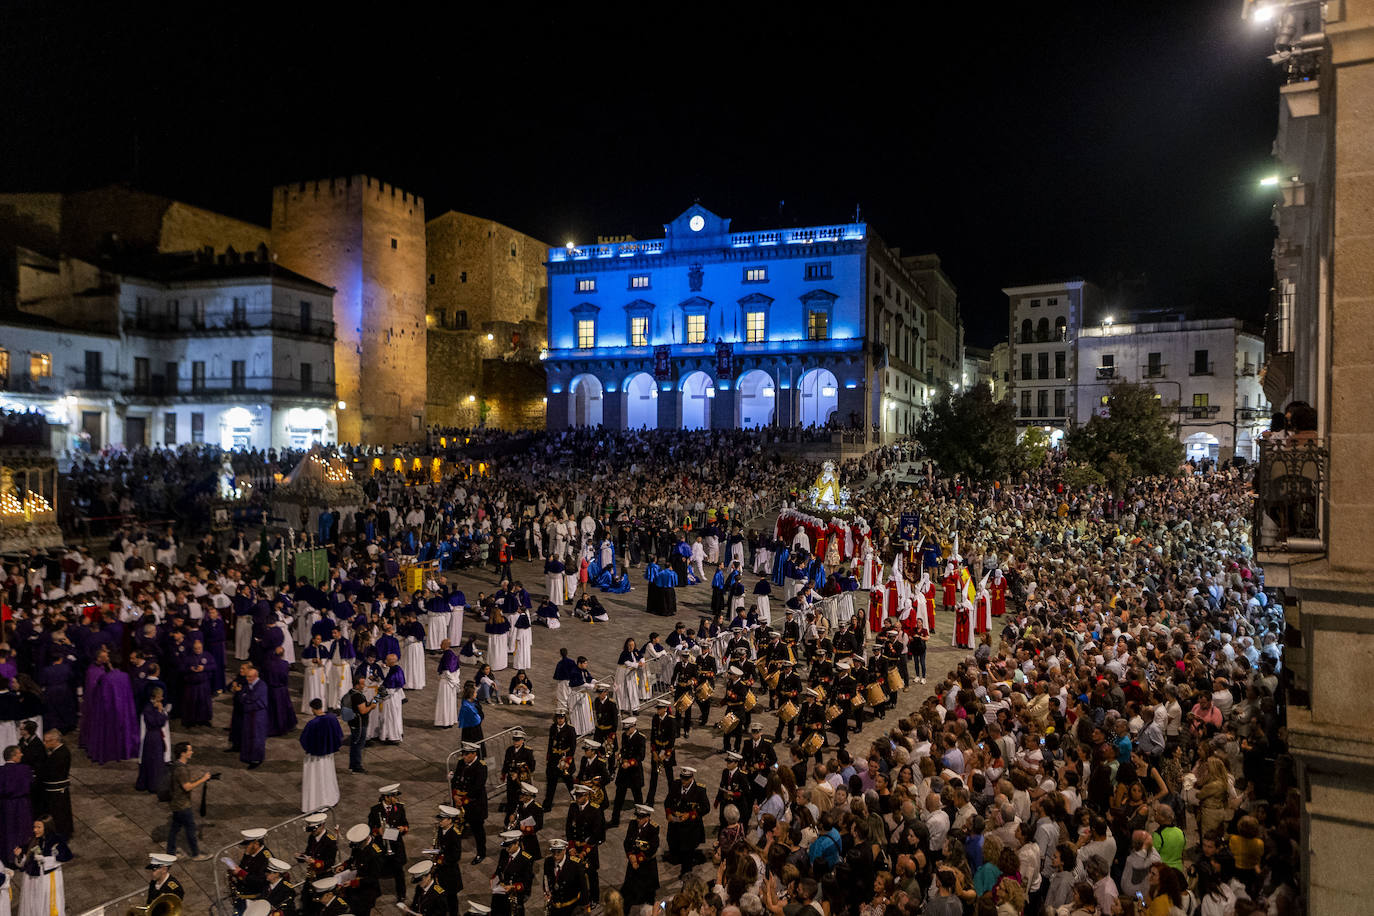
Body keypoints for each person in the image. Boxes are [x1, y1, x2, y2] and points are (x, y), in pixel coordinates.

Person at [13, 815, 71, 916]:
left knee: (47, 905)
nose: (35, 830)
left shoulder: (56, 840)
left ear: (47, 827)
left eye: (38, 827)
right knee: (31, 904)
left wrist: (46, 860)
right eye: (34, 827)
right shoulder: (33, 840)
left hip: (47, 879)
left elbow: (66, 856)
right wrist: (19, 856)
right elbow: (25, 860)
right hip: (30, 880)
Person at [165, 742, 214, 861]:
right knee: (190, 829)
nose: (192, 752)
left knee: (175, 827)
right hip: (183, 805)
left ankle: (170, 851)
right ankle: (196, 854)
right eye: (189, 750)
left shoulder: (176, 765)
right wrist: (203, 779)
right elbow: (187, 787)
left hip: (176, 803)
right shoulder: (181, 769)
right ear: (183, 753)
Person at [299, 698, 343, 813]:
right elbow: (339, 735)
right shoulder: (333, 718)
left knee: (315, 780)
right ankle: (330, 798)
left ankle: (315, 803)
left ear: (313, 708)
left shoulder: (312, 724)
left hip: (315, 758)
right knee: (327, 777)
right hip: (328, 757)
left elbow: (304, 740)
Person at [368, 783, 410, 902]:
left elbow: (406, 824)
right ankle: (375, 891)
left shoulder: (400, 808)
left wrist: (403, 828)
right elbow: (370, 828)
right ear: (386, 797)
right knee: (375, 869)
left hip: (395, 845)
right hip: (381, 845)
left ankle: (401, 894)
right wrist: (377, 830)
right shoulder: (375, 810)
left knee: (399, 871)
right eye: (394, 796)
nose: (396, 799)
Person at [452, 742, 489, 864]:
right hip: (460, 802)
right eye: (464, 754)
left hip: (474, 804)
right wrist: (455, 795)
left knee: (478, 830)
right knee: (457, 827)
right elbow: (456, 780)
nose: (464, 757)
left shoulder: (481, 767)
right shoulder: (461, 763)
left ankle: (481, 853)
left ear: (474, 754)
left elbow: (477, 787)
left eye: (467, 754)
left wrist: (461, 799)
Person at [35, 733, 71, 840]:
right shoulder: (58, 751)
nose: (44, 743)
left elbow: (52, 772)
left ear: (54, 741)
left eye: (46, 741)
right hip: (56, 788)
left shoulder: (60, 754)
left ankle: (61, 834)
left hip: (56, 789)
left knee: (59, 813)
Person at [0, 747, 33, 860]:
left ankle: (8, 856)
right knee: (22, 829)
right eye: (19, 753)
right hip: (22, 804)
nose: (22, 755)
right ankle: (23, 855)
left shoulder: (1, 771)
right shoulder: (25, 769)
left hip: (5, 805)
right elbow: (30, 785)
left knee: (7, 829)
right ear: (13, 756)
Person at [134, 689, 168, 795]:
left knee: (155, 759)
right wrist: (160, 712)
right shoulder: (148, 708)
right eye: (160, 696)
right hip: (153, 736)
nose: (162, 698)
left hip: (155, 736)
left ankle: (152, 783)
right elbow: (157, 722)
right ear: (155, 696)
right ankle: (153, 784)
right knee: (154, 760)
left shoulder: (153, 706)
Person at [237, 665, 268, 769]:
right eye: (247, 677)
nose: (247, 679)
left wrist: (246, 700)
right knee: (247, 735)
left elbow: (256, 700)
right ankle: (247, 756)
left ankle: (256, 759)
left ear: (255, 676)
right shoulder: (247, 684)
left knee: (256, 737)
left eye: (250, 677)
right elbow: (241, 696)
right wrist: (246, 698)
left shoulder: (262, 686)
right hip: (248, 715)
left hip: (258, 717)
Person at [345, 675, 377, 775]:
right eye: (362, 684)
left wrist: (374, 700)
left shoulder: (352, 693)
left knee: (356, 744)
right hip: (359, 724)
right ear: (357, 685)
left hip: (354, 723)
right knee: (358, 745)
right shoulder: (358, 696)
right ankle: (356, 766)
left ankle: (353, 765)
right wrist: (371, 706)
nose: (364, 686)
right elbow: (363, 711)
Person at [434, 640, 462, 728]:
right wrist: (456, 681)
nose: (440, 645)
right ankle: (450, 720)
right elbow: (457, 670)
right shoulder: (453, 654)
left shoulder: (446, 656)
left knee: (444, 702)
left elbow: (446, 671)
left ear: (445, 645)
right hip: (452, 683)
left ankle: (444, 722)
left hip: (446, 683)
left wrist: (453, 682)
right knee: (451, 702)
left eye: (441, 643)